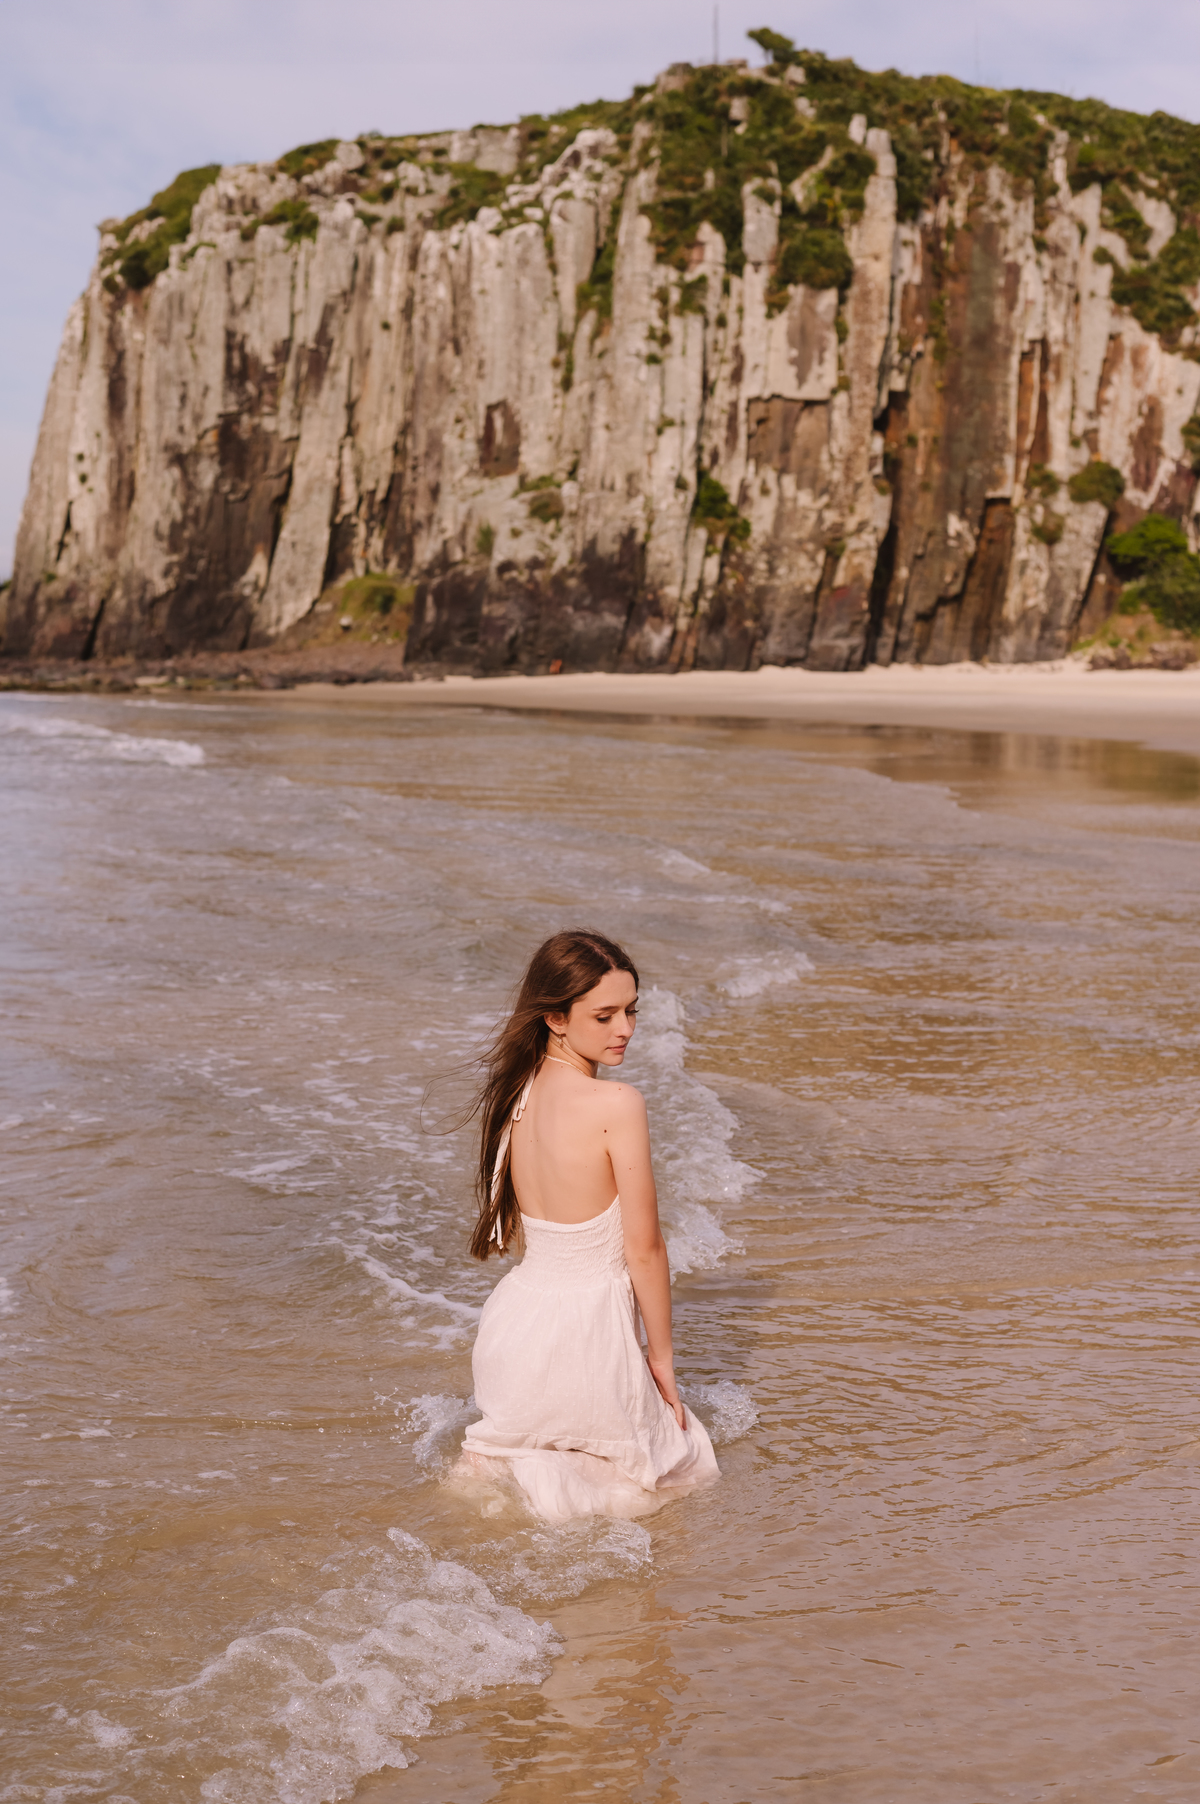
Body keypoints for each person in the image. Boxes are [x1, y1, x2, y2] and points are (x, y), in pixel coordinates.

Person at [456, 929, 720, 1522]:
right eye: (603, 1016)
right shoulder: (616, 1105)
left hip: (513, 1334)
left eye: (631, 1011)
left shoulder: (514, 1093)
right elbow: (645, 1248)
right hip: (586, 1341)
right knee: (679, 1476)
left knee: (511, 1494)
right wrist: (661, 1361)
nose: (624, 1029)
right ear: (554, 1016)